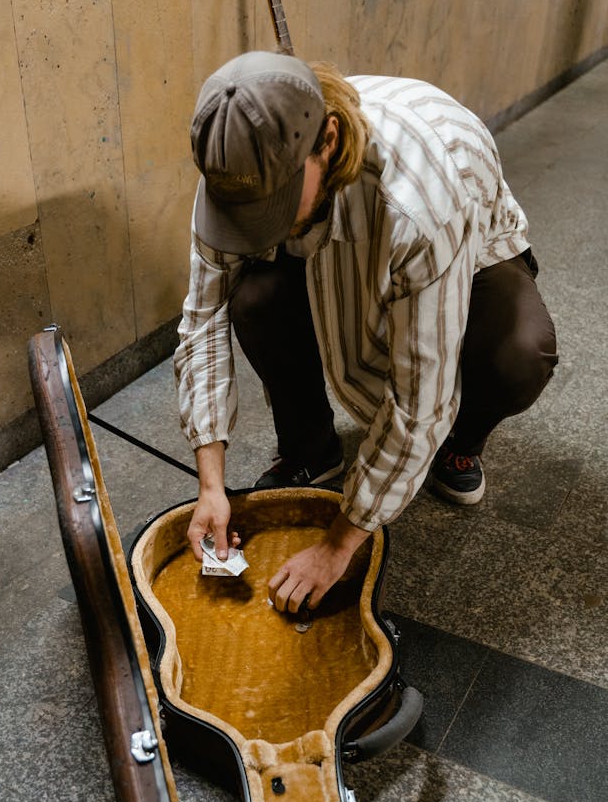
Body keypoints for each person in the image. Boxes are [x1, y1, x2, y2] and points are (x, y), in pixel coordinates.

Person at [174, 51, 557, 614]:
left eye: (273, 204)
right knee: (254, 296)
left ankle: (458, 446)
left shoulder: (420, 200)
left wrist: (341, 541)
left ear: (327, 140)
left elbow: (420, 394)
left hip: (470, 245)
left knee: (519, 353)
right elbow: (203, 319)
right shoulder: (239, 160)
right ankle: (311, 449)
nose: (258, 226)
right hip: (342, 217)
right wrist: (211, 483)